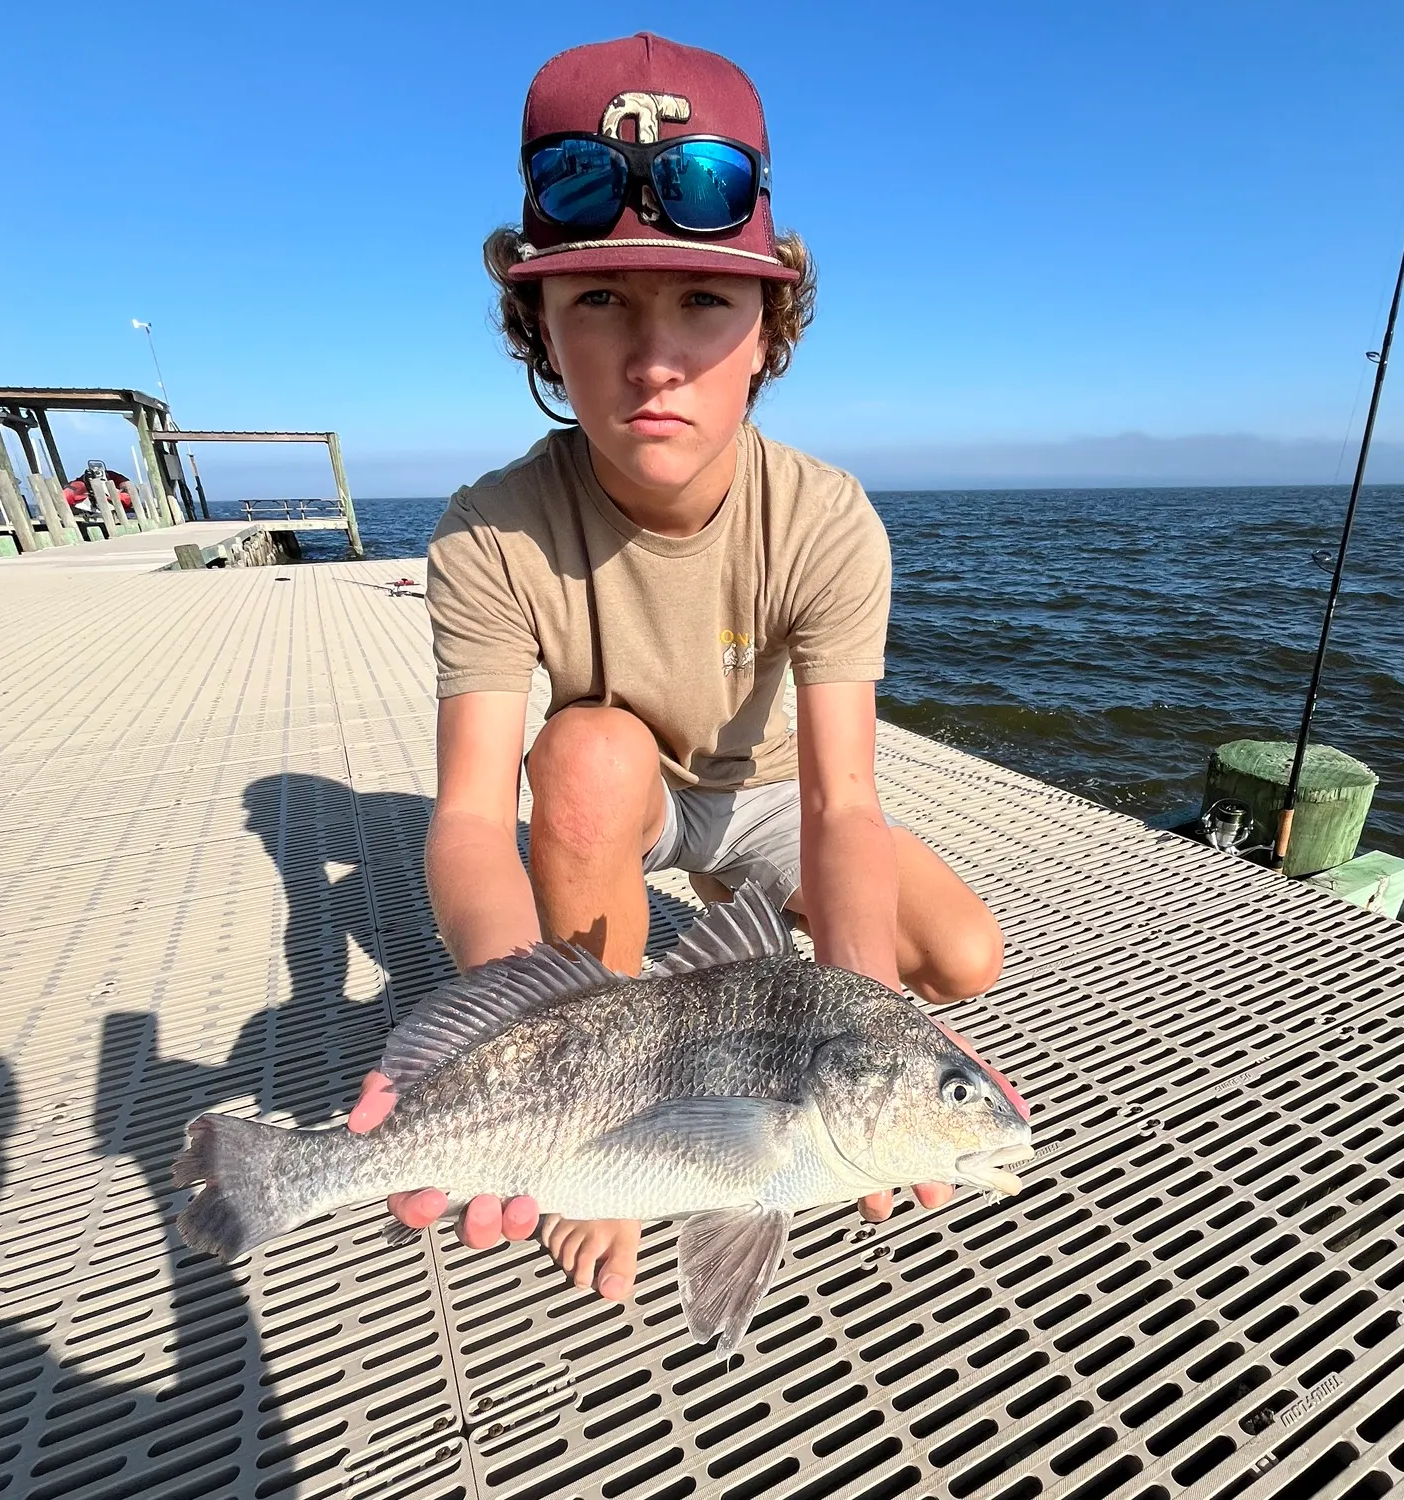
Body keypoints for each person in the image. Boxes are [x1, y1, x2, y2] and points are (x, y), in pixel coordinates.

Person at [349, 31, 1025, 1306]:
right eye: (599, 300)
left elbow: (839, 806)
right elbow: (467, 819)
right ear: (537, 326)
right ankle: (611, 1137)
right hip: (630, 795)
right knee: (590, 760)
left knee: (961, 962)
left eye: (703, 300)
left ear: (769, 327)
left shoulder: (827, 519)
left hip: (768, 795)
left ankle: (743, 1018)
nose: (653, 358)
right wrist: (515, 1032)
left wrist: (868, 1038)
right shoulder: (487, 528)